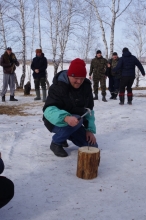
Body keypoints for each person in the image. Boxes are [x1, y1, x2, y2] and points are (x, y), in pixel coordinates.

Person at [43, 58, 98, 157]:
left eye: (82, 78)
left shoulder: (86, 87)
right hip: (55, 121)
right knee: (77, 119)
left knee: (92, 146)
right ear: (69, 75)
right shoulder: (57, 87)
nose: (79, 81)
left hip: (75, 123)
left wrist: (89, 129)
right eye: (76, 78)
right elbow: (48, 110)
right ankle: (56, 142)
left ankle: (66, 135)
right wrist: (66, 118)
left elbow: (89, 110)